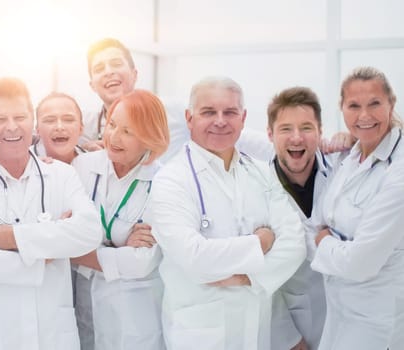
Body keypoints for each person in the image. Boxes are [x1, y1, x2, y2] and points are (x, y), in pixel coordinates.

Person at [147, 76, 306, 350]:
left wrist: (250, 277)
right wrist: (260, 243)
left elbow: (295, 244)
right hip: (199, 334)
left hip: (256, 328)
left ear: (243, 118)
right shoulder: (170, 180)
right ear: (189, 118)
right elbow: (195, 257)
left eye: (230, 112)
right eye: (208, 112)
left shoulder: (261, 172)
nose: (220, 121)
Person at [0, 77, 100, 349]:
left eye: (20, 116)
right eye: (0, 118)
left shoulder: (61, 175)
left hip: (53, 335)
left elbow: (89, 232)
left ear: (33, 121)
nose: (12, 127)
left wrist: (11, 238)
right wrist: (44, 254)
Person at [311, 67, 404, 350]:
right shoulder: (349, 157)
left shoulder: (398, 172)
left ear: (392, 103)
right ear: (342, 108)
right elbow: (319, 220)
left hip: (378, 322)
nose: (364, 116)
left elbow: (360, 263)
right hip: (339, 313)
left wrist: (323, 241)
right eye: (354, 106)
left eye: (374, 103)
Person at [71, 89, 169, 350]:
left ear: (150, 138)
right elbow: (65, 233)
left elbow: (142, 261)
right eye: (112, 125)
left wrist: (79, 255)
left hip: (135, 315)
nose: (114, 137)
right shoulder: (83, 167)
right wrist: (120, 248)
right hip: (86, 303)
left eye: (129, 131)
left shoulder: (162, 184)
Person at [266, 87, 329, 350]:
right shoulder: (257, 189)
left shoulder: (344, 172)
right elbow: (258, 276)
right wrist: (286, 339)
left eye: (306, 127)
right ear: (270, 134)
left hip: (353, 318)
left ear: (320, 131)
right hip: (297, 327)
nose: (296, 138)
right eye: (285, 129)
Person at [81, 38, 189, 162]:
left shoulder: (175, 112)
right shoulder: (83, 126)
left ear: (134, 74)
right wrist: (82, 152)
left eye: (116, 64)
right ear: (92, 85)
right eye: (99, 69)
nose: (109, 72)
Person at [33, 92, 86, 164]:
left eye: (68, 120)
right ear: (37, 130)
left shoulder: (96, 163)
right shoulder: (24, 163)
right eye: (50, 120)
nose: (59, 127)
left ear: (81, 128)